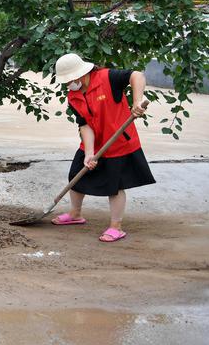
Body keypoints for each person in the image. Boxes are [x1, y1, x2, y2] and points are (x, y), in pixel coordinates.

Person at [52, 53, 155, 242]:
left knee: (114, 186)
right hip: (94, 142)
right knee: (76, 175)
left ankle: (116, 227)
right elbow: (84, 125)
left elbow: (137, 75)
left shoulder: (108, 78)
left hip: (118, 142)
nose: (67, 84)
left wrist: (137, 101)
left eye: (69, 80)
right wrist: (89, 153)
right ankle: (75, 214)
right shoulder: (73, 96)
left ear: (80, 74)